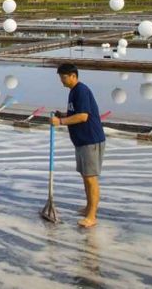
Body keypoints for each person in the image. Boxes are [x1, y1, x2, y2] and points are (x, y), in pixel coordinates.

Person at [51, 63, 106, 229]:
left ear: (73, 76)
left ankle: (92, 215)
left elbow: (83, 116)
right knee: (85, 176)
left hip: (91, 140)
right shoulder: (74, 92)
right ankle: (89, 207)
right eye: (60, 77)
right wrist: (64, 114)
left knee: (91, 179)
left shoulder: (81, 90)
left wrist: (60, 121)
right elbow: (76, 113)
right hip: (81, 141)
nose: (61, 80)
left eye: (64, 77)